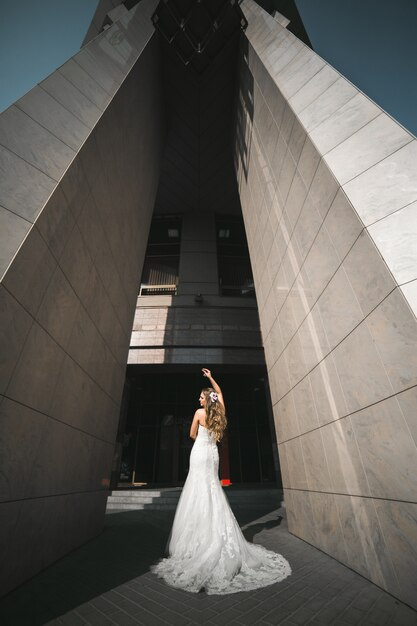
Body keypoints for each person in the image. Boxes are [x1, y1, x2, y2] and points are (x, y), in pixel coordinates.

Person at [151, 368, 291, 594]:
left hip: (199, 454)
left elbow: (191, 435)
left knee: (197, 491)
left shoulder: (198, 413)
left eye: (201, 396)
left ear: (206, 399)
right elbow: (220, 393)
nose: (198, 398)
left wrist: (200, 436)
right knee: (212, 490)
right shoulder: (220, 413)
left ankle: (195, 541)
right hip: (212, 456)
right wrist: (211, 378)